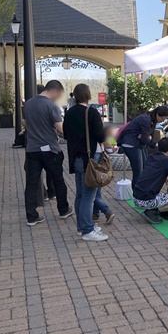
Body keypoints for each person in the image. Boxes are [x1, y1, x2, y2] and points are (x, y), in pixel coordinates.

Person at [63, 84, 109, 241]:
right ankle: (88, 230)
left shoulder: (69, 113)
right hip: (90, 158)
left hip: (76, 158)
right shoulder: (92, 112)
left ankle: (82, 227)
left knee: (81, 195)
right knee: (89, 195)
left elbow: (66, 134)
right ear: (88, 95)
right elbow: (100, 136)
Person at [23, 80, 72, 227]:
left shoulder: (29, 104)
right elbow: (60, 129)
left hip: (32, 149)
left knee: (31, 183)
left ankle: (31, 216)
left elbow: (24, 122)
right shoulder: (51, 105)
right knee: (58, 180)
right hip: (50, 150)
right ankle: (63, 210)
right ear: (54, 91)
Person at [117, 106, 168, 194]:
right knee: (138, 171)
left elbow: (149, 136)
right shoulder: (146, 119)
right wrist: (149, 140)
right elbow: (145, 139)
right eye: (162, 118)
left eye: (164, 119)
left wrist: (146, 138)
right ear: (157, 114)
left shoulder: (153, 120)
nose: (163, 121)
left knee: (145, 168)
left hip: (139, 144)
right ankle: (137, 195)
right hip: (131, 144)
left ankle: (141, 192)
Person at [133, 137, 168, 224]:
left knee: (165, 196)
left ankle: (151, 210)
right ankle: (152, 211)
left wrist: (165, 177)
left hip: (136, 197)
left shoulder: (151, 156)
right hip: (147, 199)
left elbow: (152, 171)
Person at [92, 125, 117, 225]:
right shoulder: (103, 135)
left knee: (92, 190)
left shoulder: (99, 135)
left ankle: (107, 211)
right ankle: (95, 214)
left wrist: (110, 140)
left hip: (94, 155)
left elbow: (109, 145)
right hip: (99, 156)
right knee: (96, 189)